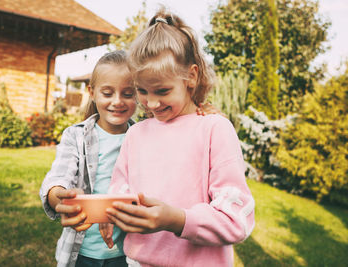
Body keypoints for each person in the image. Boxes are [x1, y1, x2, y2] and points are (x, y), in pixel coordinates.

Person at [39, 50, 222, 267]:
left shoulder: (146, 136)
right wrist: (60, 197)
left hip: (129, 254)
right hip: (81, 253)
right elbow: (57, 178)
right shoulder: (76, 136)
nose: (117, 102)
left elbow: (178, 140)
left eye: (128, 94)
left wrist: (199, 112)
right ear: (92, 92)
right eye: (107, 93)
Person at [104, 10, 255, 267]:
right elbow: (119, 192)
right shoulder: (136, 134)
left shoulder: (214, 129)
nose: (151, 103)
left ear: (191, 76)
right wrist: (110, 213)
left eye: (162, 91)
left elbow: (236, 219)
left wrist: (177, 220)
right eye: (142, 91)